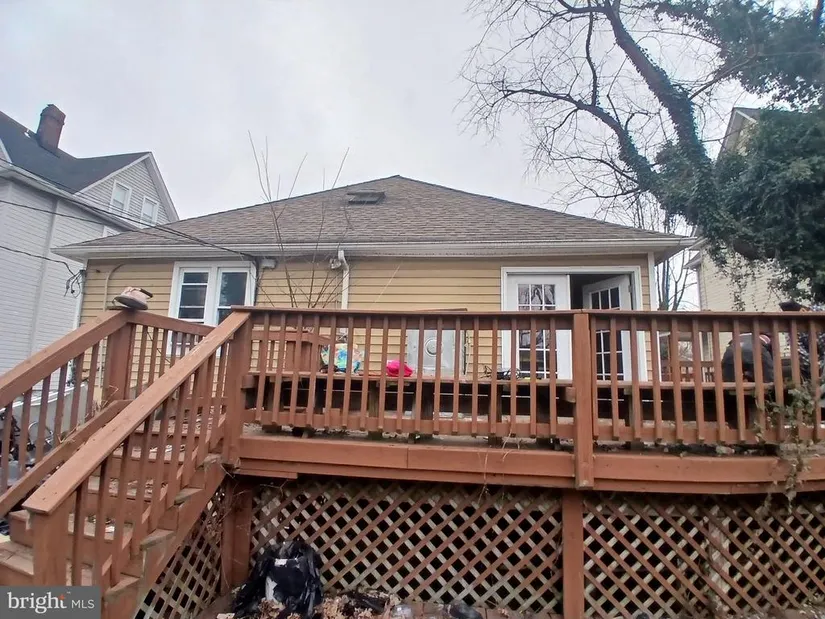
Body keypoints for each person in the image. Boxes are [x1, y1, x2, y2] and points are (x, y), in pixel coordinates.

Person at [779, 301, 825, 382]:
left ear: (803, 310)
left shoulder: (819, 312)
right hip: (817, 360)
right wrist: (816, 364)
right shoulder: (793, 328)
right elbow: (799, 351)